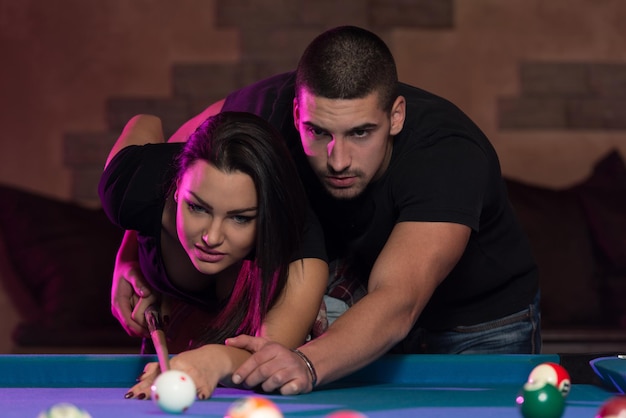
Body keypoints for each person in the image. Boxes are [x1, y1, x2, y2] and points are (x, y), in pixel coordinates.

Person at [112, 25, 541, 396]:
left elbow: (397, 299)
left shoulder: (447, 155)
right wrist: (131, 255)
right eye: (317, 131)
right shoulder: (263, 111)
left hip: (478, 324)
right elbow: (176, 172)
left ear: (395, 116)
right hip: (357, 315)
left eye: (360, 133)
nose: (337, 160)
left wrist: (308, 363)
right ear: (296, 111)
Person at [98, 111, 328, 399]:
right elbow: (147, 120)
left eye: (241, 218)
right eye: (198, 208)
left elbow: (270, 354)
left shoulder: (298, 244)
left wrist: (211, 360)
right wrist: (126, 258)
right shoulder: (135, 184)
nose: (212, 237)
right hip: (228, 120)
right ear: (177, 187)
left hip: (277, 107)